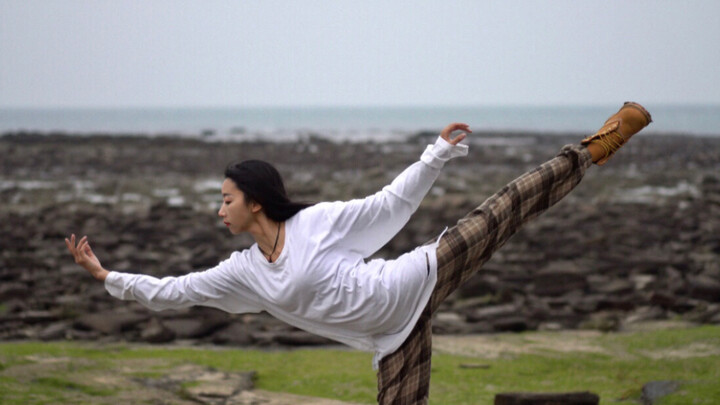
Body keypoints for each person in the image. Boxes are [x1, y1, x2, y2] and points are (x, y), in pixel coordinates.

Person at [66, 102, 652, 404]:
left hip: (415, 279)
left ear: (255, 201)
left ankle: (595, 146)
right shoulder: (240, 272)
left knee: (504, 209)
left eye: (226, 199)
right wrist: (109, 276)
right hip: (392, 341)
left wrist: (435, 155)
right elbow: (176, 292)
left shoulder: (316, 224)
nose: (219, 210)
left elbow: (389, 205)